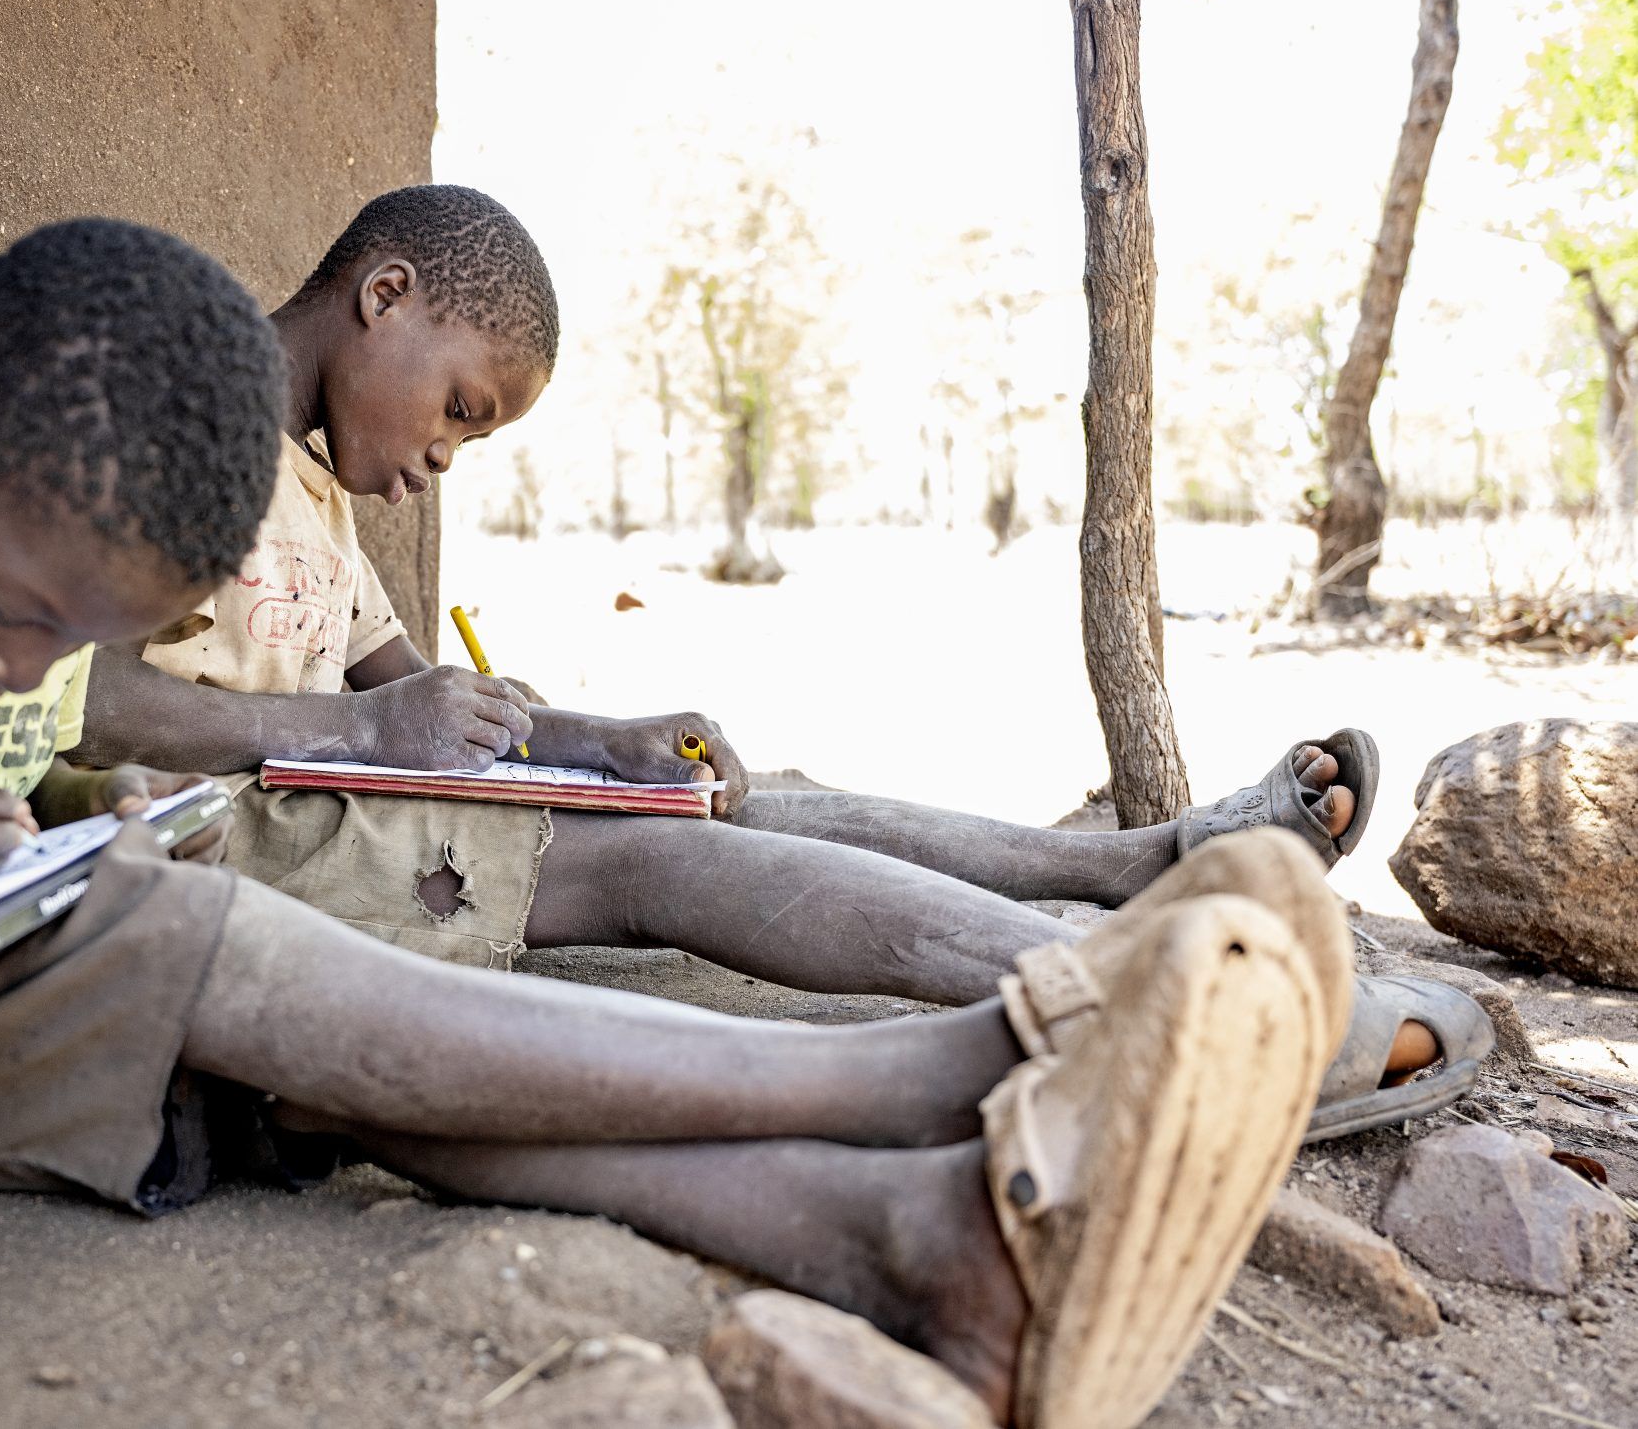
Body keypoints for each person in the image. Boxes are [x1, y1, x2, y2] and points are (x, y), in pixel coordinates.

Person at [0, 216, 1358, 1428]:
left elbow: (46, 741)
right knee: (203, 941)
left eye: (53, 641)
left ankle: (925, 1255)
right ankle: (953, 1067)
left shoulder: (31, 529)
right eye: (17, 615)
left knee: (358, 1079)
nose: (7, 667)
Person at [77, 186, 1492, 1140]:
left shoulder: (314, 494)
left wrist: (604, 737)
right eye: (461, 407)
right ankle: (1184, 1008)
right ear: (385, 294)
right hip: (217, 849)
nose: (443, 455)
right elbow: (58, 700)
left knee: (709, 802)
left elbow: (397, 696)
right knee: (659, 868)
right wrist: (379, 739)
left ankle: (1135, 866)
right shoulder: (164, 422)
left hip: (338, 807)